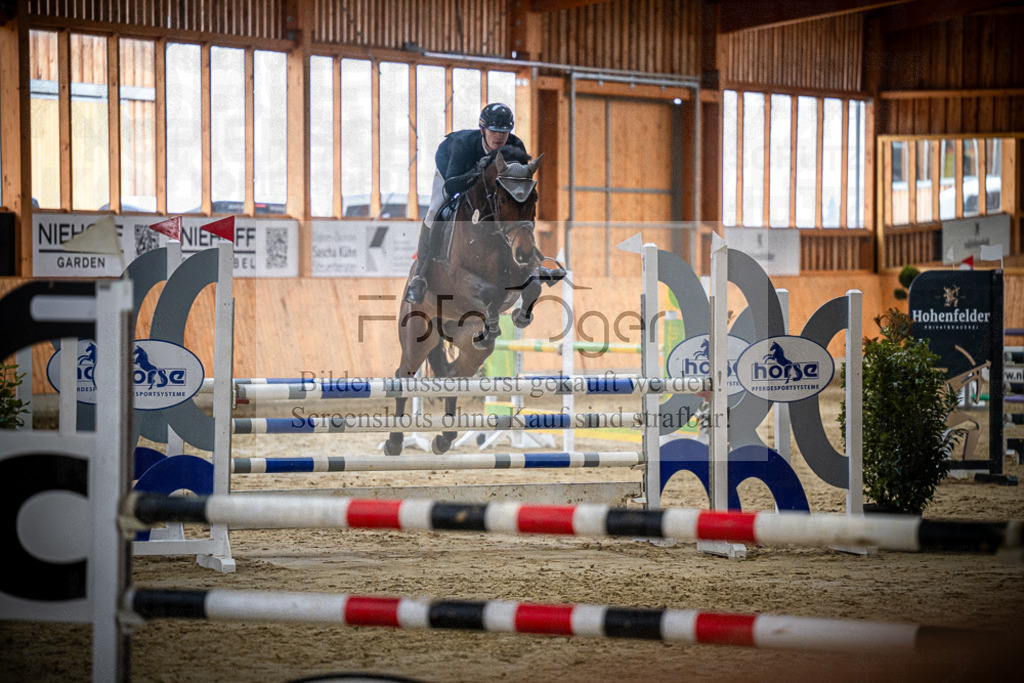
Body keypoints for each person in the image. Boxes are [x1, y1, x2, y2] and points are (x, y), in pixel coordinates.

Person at [404, 102, 528, 304]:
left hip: (488, 188)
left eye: (504, 132)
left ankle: (529, 260)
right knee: (435, 210)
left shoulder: (516, 147)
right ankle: (420, 275)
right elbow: (452, 187)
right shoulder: (462, 146)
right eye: (494, 131)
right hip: (452, 173)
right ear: (482, 130)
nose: (499, 137)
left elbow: (520, 183)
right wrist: (478, 173)